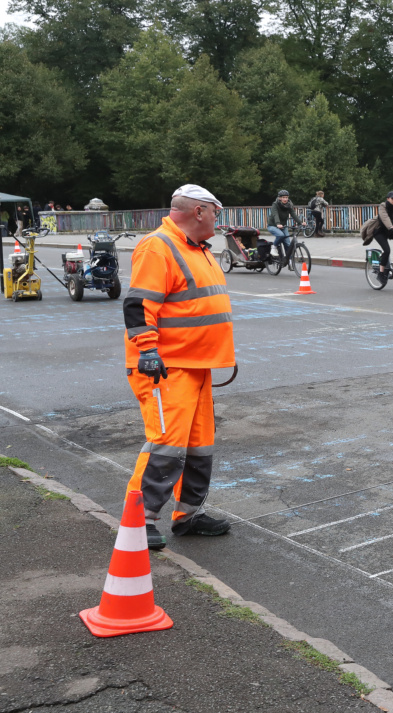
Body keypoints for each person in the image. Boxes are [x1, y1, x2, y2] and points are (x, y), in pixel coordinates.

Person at [122, 184, 235, 550]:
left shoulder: (196, 247)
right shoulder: (159, 245)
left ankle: (188, 515)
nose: (218, 218)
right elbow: (139, 304)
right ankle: (139, 521)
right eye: (215, 211)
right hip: (166, 366)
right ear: (199, 211)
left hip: (195, 364)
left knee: (199, 445)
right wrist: (148, 350)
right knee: (166, 444)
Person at [266, 189, 305, 269]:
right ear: (280, 198)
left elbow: (293, 214)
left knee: (288, 245)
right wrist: (278, 223)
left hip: (283, 226)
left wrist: (300, 222)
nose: (285, 199)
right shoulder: (275, 204)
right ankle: (274, 247)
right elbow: (275, 214)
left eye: (286, 197)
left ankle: (289, 262)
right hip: (273, 225)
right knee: (280, 235)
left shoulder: (289, 205)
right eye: (283, 197)